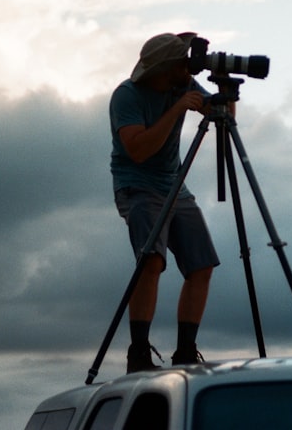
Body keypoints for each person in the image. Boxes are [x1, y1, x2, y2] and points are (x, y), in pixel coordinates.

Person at [109, 32, 223, 371]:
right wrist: (177, 109)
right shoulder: (126, 96)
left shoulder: (183, 83)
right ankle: (139, 353)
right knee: (151, 263)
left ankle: (186, 351)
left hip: (175, 186)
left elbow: (221, 114)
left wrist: (222, 92)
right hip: (138, 186)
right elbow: (139, 150)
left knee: (201, 266)